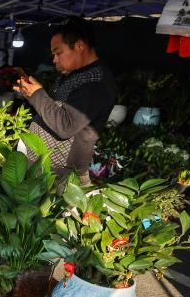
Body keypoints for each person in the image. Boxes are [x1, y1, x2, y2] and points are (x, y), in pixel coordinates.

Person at [13, 19, 116, 185]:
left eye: (58, 53)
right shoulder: (73, 74)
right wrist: (34, 93)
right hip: (43, 170)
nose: (54, 60)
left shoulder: (96, 81)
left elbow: (66, 126)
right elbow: (55, 110)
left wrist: (37, 95)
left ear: (79, 46)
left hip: (60, 177)